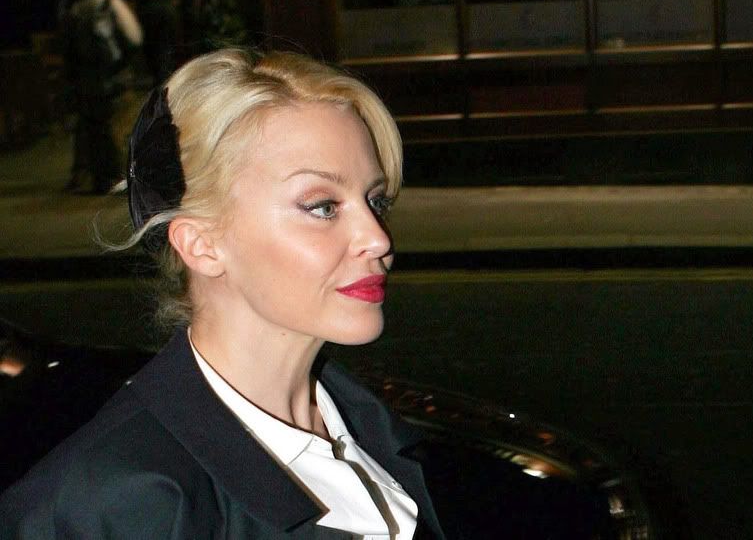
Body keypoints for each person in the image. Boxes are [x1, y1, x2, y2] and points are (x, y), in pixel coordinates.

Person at [0, 48, 445, 538]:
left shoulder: (372, 429)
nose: (377, 238)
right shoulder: (115, 502)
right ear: (202, 245)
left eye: (375, 200)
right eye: (322, 206)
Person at [63, 0, 142, 194]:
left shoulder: (74, 11)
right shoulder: (113, 4)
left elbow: (68, 52)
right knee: (121, 128)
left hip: (88, 82)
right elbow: (134, 38)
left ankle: (102, 178)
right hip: (117, 77)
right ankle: (127, 176)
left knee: (95, 130)